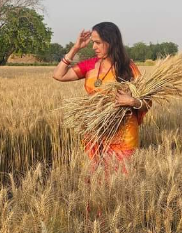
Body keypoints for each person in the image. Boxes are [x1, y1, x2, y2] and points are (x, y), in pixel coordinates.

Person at [53, 22, 150, 174]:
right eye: (93, 43)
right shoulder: (90, 65)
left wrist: (132, 101)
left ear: (110, 42)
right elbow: (59, 75)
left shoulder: (128, 68)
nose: (94, 47)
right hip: (95, 135)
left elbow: (147, 103)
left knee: (122, 183)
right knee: (95, 183)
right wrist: (76, 48)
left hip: (123, 137)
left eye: (98, 43)